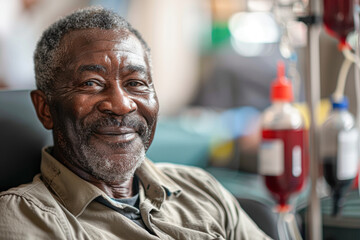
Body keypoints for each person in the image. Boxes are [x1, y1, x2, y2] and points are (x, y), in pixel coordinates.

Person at [0, 7, 270, 239]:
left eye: (136, 83)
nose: (122, 105)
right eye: (91, 83)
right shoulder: (27, 217)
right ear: (45, 108)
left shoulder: (201, 189)